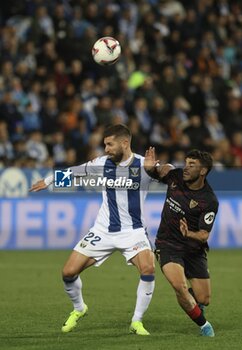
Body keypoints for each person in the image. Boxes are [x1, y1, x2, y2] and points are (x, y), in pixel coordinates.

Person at [30, 124, 155, 335]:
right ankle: (79, 309)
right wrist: (49, 181)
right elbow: (76, 172)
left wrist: (159, 170)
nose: (106, 148)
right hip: (103, 230)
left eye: (109, 144)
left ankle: (137, 321)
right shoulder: (101, 163)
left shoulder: (145, 165)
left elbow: (170, 174)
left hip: (133, 231)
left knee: (148, 269)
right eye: (105, 144)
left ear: (125, 143)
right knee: (68, 272)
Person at [144, 147, 218, 337]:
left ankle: (190, 302)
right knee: (180, 286)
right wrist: (150, 168)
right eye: (186, 163)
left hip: (194, 249)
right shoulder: (175, 177)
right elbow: (157, 172)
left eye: (192, 165)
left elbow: (203, 235)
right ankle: (204, 325)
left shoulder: (209, 200)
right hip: (167, 244)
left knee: (204, 299)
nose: (186, 168)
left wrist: (188, 233)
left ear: (203, 171)